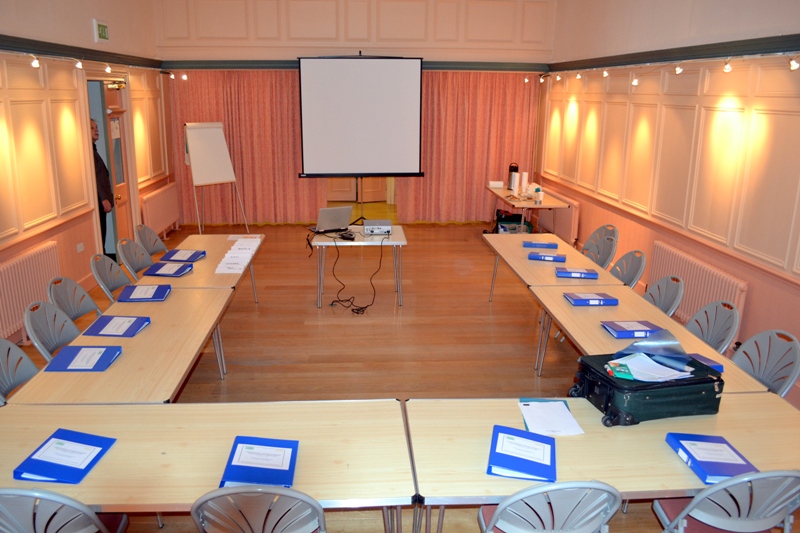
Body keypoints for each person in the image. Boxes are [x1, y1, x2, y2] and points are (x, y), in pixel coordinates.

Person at [91, 119, 115, 260]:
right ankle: (103, 265)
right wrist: (104, 198)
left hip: (102, 199)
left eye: (97, 127)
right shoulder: (89, 152)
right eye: (92, 128)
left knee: (103, 234)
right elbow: (95, 178)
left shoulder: (94, 149)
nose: (96, 130)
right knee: (100, 235)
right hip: (99, 201)